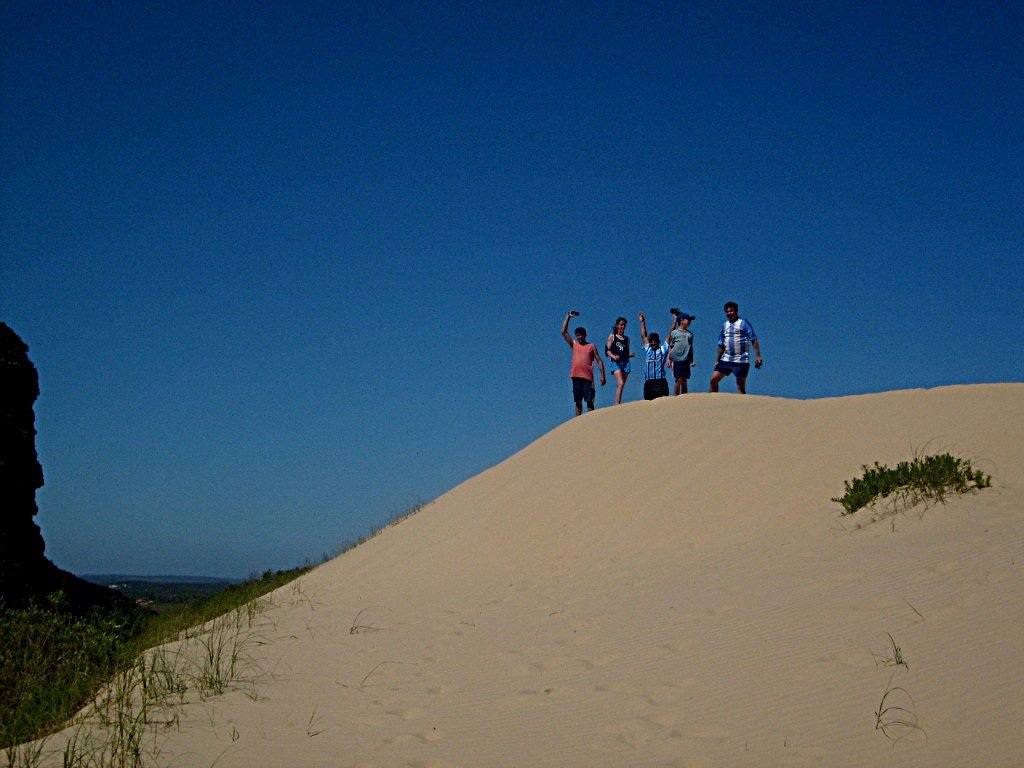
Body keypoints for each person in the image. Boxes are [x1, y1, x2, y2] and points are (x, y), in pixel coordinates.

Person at [710, 301, 762, 394]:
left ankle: (742, 407)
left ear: (736, 311)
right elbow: (721, 344)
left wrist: (758, 356)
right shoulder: (724, 325)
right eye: (727, 311)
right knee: (713, 379)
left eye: (731, 311)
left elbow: (753, 339)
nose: (729, 313)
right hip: (726, 358)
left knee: (740, 385)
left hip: (741, 360)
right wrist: (717, 360)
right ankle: (712, 402)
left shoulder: (743, 323)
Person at [561, 311, 606, 416]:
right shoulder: (574, 344)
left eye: (581, 335)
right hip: (576, 376)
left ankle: (591, 421)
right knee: (578, 401)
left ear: (585, 335)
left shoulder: (591, 346)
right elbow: (564, 332)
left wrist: (603, 376)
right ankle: (577, 422)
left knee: (589, 400)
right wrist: (568, 317)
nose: (579, 337)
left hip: (587, 378)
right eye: (577, 335)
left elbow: (599, 360)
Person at [638, 312, 669, 400]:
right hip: (649, 382)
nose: (653, 343)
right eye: (651, 341)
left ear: (658, 342)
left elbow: (669, 336)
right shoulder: (648, 350)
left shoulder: (662, 350)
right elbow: (644, 335)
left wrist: (674, 321)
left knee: (663, 403)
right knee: (648, 404)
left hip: (660, 381)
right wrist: (642, 322)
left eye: (655, 341)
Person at [605, 316, 633, 405]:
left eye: (624, 325)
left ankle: (618, 402)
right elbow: (607, 350)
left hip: (625, 363)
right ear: (617, 325)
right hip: (616, 362)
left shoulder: (627, 339)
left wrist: (630, 354)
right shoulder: (612, 336)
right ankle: (617, 405)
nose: (623, 327)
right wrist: (613, 356)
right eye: (621, 325)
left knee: (621, 384)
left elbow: (626, 351)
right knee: (620, 383)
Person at [667, 309, 696, 395]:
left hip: (686, 360)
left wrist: (692, 360)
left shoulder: (690, 334)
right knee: (678, 379)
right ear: (681, 320)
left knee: (685, 380)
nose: (690, 321)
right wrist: (669, 359)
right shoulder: (674, 333)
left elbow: (691, 348)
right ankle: (676, 398)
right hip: (677, 360)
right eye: (688, 319)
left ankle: (684, 398)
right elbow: (671, 346)